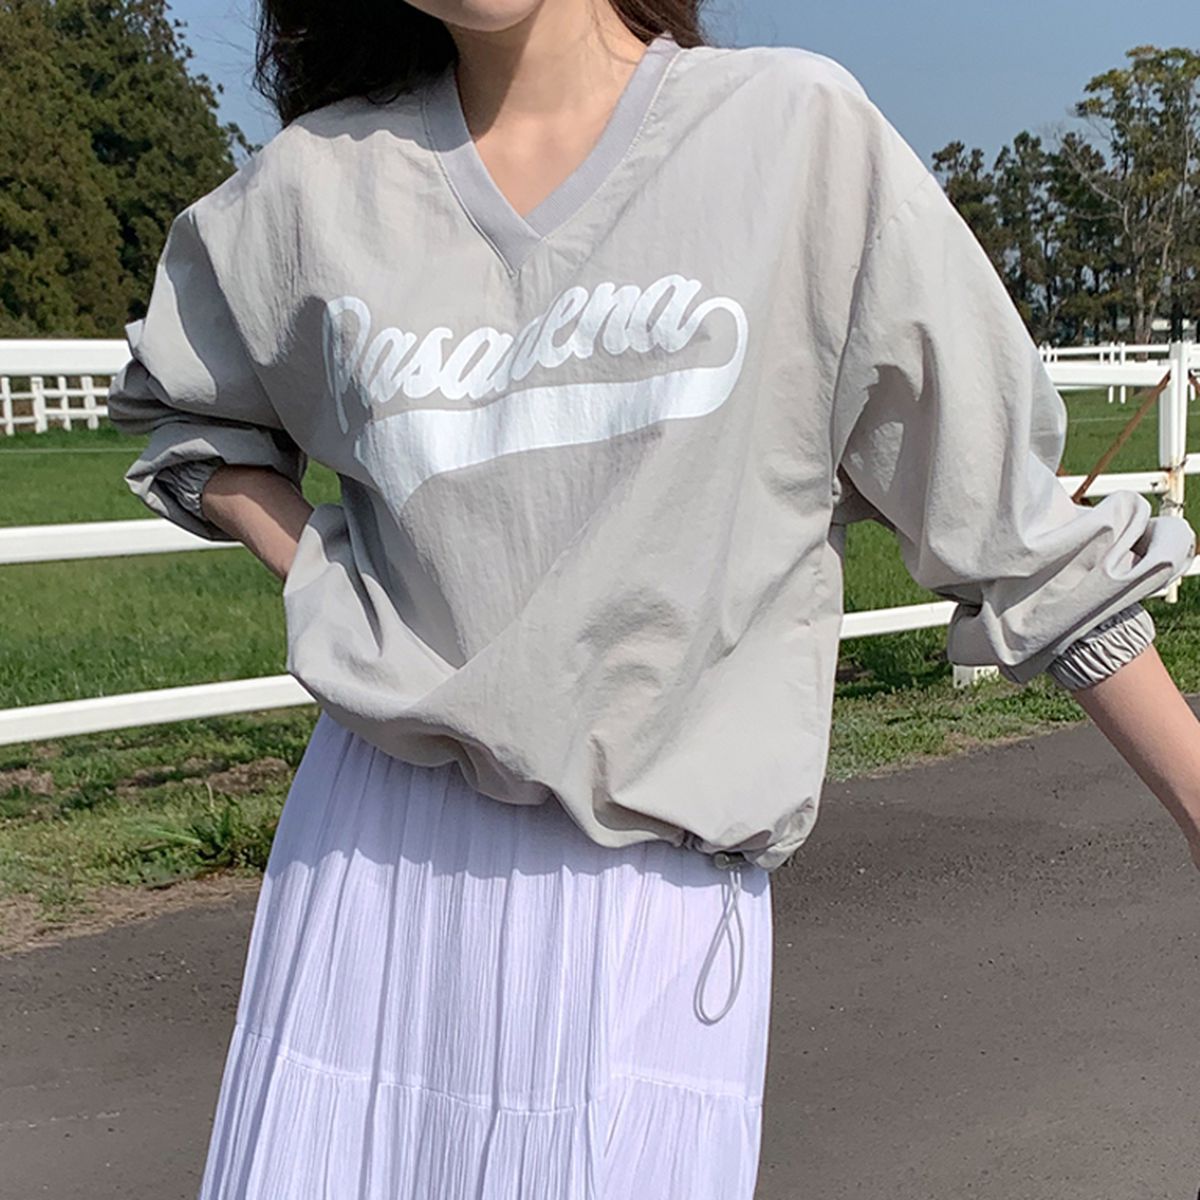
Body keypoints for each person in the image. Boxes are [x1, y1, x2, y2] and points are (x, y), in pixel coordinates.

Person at [104, 1, 1200, 1196]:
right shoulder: (317, 186)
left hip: (645, 892)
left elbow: (1016, 534)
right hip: (373, 859)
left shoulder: (792, 138)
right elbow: (188, 408)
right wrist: (324, 573)